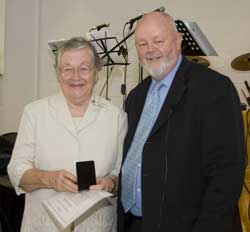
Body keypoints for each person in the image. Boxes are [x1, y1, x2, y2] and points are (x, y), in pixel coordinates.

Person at [117, 11, 246, 232]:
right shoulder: (136, 97)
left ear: (178, 41)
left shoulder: (214, 89)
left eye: (158, 41)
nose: (150, 49)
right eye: (142, 43)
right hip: (136, 223)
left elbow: (227, 175)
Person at [8, 37, 127, 232]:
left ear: (96, 73)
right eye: (68, 69)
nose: (76, 76)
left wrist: (110, 183)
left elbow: (122, 175)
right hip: (44, 225)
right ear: (58, 74)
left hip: (97, 225)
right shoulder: (35, 113)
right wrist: (49, 179)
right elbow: (16, 171)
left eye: (84, 68)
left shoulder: (116, 117)